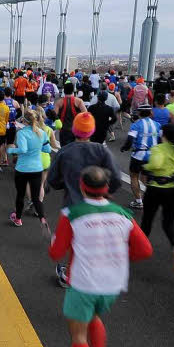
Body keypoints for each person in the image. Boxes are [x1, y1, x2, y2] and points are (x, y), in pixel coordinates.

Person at [48, 165, 153, 347]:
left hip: (83, 283)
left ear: (82, 187)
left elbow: (56, 253)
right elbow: (145, 250)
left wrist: (55, 240)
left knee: (78, 336)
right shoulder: (123, 214)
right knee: (94, 317)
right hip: (112, 284)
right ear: (106, 188)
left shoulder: (71, 214)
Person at [46, 113, 123, 286]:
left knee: (73, 242)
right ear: (92, 130)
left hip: (71, 205)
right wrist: (104, 192)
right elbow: (116, 178)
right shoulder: (102, 150)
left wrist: (66, 183)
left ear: (74, 130)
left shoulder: (65, 151)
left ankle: (70, 274)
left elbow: (53, 180)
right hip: (98, 206)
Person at [140, 124, 174, 272]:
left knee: (147, 220)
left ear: (164, 135)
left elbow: (155, 163)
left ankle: (140, 247)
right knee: (168, 222)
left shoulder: (158, 148)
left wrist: (146, 168)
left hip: (156, 189)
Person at [7, 109, 51, 230]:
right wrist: (36, 148)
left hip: (22, 168)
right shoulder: (42, 132)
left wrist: (11, 150)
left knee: (20, 195)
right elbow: (47, 150)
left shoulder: (22, 133)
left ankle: (18, 219)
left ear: (24, 120)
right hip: (37, 168)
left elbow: (23, 150)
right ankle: (42, 219)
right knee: (36, 198)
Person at [121, 104, 161, 209]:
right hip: (152, 155)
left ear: (139, 113)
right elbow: (161, 140)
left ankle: (139, 201)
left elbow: (130, 140)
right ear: (150, 113)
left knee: (134, 176)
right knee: (147, 178)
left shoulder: (136, 125)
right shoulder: (157, 125)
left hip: (138, 155)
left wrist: (124, 148)